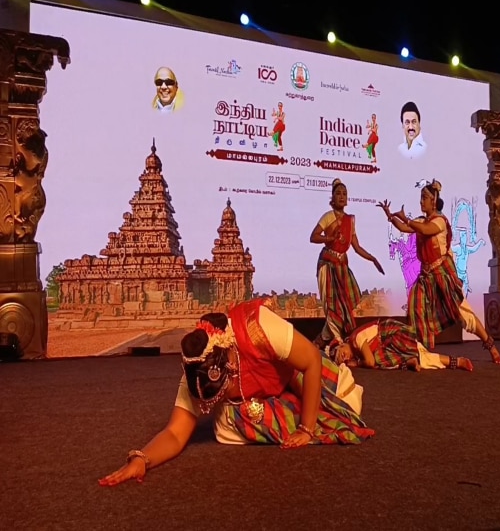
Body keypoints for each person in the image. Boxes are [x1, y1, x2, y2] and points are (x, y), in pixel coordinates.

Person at [99, 298, 373, 487]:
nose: (214, 402)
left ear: (230, 361)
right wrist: (142, 459)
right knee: (233, 420)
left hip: (301, 374)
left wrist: (307, 428)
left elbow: (311, 360)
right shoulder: (198, 371)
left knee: (342, 402)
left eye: (221, 393)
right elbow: (175, 432)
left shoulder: (257, 326)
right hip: (261, 399)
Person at [377, 180, 500, 364]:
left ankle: (490, 344)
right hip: (425, 277)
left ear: (434, 200)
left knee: (462, 313)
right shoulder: (421, 220)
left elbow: (425, 230)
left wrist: (406, 219)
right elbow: (405, 228)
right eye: (420, 198)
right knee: (415, 308)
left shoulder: (440, 221)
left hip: (441, 274)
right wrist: (390, 216)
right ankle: (421, 352)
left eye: (425, 198)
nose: (421, 202)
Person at [310, 179, 385, 347]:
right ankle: (334, 341)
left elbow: (356, 247)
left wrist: (372, 259)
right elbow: (313, 236)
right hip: (327, 265)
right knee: (331, 306)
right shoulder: (328, 216)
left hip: (342, 267)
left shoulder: (350, 221)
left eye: (344, 193)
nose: (342, 196)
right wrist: (328, 238)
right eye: (338, 193)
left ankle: (321, 341)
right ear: (332, 198)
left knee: (344, 306)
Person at [330, 318, 474, 372]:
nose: (345, 357)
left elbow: (369, 361)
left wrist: (358, 363)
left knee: (378, 360)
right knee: (419, 356)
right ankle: (408, 361)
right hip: (387, 343)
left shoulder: (357, 339)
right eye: (343, 359)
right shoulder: (355, 346)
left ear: (342, 344)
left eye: (342, 353)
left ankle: (456, 361)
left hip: (392, 334)